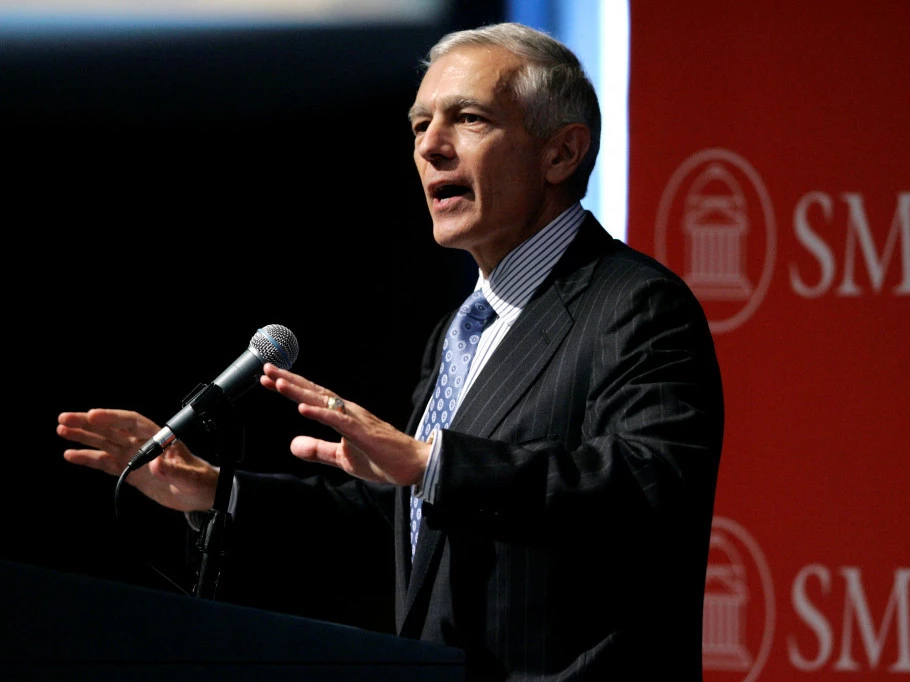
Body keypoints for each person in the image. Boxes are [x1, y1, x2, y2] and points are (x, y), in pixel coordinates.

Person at [56, 21, 724, 681]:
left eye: (468, 118)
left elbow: (649, 487)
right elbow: (409, 522)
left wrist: (433, 464)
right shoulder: (461, 331)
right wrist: (216, 491)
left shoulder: (635, 304)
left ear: (561, 153)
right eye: (419, 125)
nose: (430, 146)